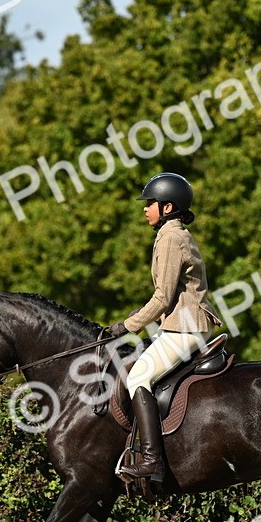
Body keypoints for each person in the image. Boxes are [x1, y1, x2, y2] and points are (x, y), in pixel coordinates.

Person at [108, 172, 223, 483]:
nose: (145, 209)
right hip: (177, 324)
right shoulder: (169, 234)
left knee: (138, 377)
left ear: (168, 207)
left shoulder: (172, 238)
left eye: (150, 203)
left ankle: (151, 460)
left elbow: (162, 297)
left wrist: (126, 325)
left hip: (185, 328)